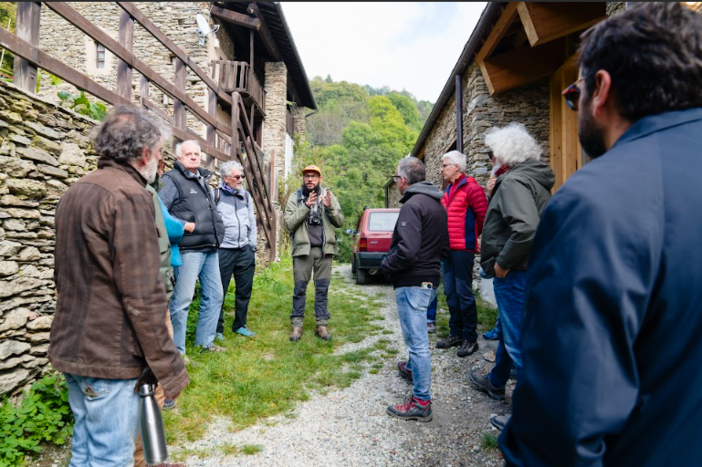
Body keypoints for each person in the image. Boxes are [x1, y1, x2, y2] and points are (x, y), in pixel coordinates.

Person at [500, 4, 702, 466]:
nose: (574, 108)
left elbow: (563, 426)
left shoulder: (598, 202)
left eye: (574, 94)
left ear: (601, 90)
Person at [50, 105, 189, 466]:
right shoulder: (130, 197)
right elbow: (142, 293)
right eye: (160, 155)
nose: (161, 164)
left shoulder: (76, 190)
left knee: (84, 452)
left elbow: (64, 275)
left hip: (75, 346)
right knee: (111, 458)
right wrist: (167, 365)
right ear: (144, 153)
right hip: (110, 355)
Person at [468, 123, 554, 422]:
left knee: (519, 342)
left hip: (516, 272)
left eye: (492, 153)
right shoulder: (532, 178)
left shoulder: (514, 182)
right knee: (509, 331)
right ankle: (496, 381)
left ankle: (529, 421)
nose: (490, 159)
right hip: (532, 268)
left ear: (504, 155)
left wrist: (502, 262)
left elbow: (526, 229)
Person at [381, 157, 448, 422]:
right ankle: (411, 369)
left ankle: (421, 402)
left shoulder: (412, 205)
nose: (397, 183)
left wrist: (386, 265)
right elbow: (442, 247)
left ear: (404, 180)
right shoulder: (437, 204)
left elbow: (407, 252)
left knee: (417, 342)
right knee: (418, 337)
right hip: (430, 278)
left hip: (413, 281)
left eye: (397, 179)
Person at [134, 164, 185, 464]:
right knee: (146, 379)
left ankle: (151, 459)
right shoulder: (135, 195)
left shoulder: (151, 191)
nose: (161, 167)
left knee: (153, 383)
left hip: (157, 292)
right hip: (147, 299)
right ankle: (143, 460)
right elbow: (170, 229)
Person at [159, 140, 226, 355]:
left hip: (210, 246)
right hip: (188, 249)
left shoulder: (202, 180)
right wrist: (181, 225)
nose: (194, 157)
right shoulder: (171, 179)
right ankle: (177, 351)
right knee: (182, 301)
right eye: (189, 154)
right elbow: (158, 210)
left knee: (215, 295)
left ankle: (205, 342)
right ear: (179, 158)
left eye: (197, 154)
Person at [436, 150, 487, 357]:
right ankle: (455, 333)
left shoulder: (472, 188)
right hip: (447, 249)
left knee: (464, 293)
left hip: (462, 250)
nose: (441, 169)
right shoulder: (448, 190)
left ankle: (470, 338)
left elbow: (483, 218)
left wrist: (471, 237)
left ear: (456, 167)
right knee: (450, 292)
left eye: (445, 165)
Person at [284, 165, 344, 341]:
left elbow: (340, 221)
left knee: (322, 288)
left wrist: (330, 207)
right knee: (300, 288)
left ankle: (321, 325)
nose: (310, 179)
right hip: (303, 250)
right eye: (307, 176)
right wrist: (305, 206)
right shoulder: (295, 197)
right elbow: (288, 223)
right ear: (303, 179)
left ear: (320, 179)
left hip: (324, 250)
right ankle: (297, 325)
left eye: (313, 176)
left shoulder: (328, 196)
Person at [213, 161, 257, 339]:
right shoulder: (215, 194)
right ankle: (217, 328)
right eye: (237, 177)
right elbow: (211, 221)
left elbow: (252, 222)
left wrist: (252, 245)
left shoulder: (245, 195)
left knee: (244, 290)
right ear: (226, 178)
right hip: (224, 250)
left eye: (241, 177)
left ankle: (240, 324)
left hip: (244, 249)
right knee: (219, 291)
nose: (240, 180)